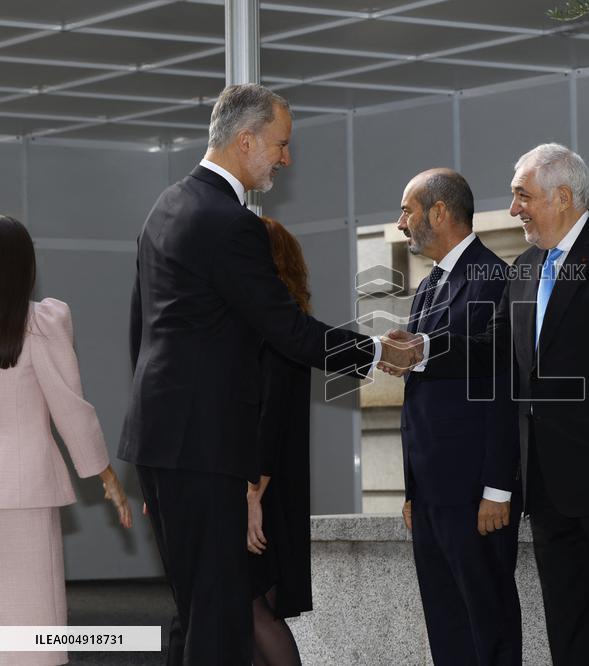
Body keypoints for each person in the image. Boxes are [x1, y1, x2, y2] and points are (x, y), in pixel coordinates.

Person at [117, 83, 418, 664]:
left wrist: (158, 437)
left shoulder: (167, 206)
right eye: (280, 144)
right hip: (203, 446)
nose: (286, 158)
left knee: (200, 609)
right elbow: (288, 331)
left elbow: (143, 331)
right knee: (221, 618)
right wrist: (378, 349)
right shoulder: (230, 224)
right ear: (245, 140)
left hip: (163, 439)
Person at [388, 144, 589, 665]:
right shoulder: (524, 268)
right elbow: (495, 353)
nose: (514, 209)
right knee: (571, 637)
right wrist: (425, 347)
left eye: (523, 196)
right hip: (550, 494)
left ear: (563, 196)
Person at [395, 168, 521, 665]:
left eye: (407, 211)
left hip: (475, 494)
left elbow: (503, 385)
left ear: (440, 212)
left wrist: (498, 487)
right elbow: (419, 397)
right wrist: (412, 489)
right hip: (431, 496)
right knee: (446, 628)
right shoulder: (428, 285)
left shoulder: (495, 277)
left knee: (488, 626)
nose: (401, 223)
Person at [0, 215, 132, 666]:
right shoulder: (40, 323)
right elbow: (70, 407)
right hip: (28, 490)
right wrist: (105, 473)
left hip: (23, 488)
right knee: (34, 625)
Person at [245, 216, 314, 666]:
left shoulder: (275, 327)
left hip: (262, 486)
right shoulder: (287, 322)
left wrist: (253, 494)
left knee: (253, 610)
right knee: (253, 608)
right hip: (268, 484)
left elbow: (269, 418)